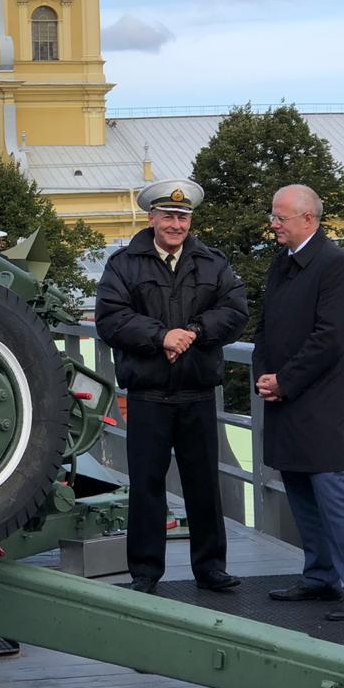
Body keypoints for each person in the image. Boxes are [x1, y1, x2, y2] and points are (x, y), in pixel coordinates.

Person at [95, 179, 248, 594]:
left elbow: (235, 310)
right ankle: (145, 572)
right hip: (148, 394)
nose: (176, 224)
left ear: (190, 221)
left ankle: (211, 568)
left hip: (197, 391)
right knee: (146, 486)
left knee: (204, 485)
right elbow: (110, 318)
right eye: (168, 216)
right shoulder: (123, 264)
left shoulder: (212, 263)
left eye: (182, 217)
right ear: (152, 218)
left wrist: (193, 332)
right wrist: (162, 336)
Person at [253, 184, 344, 621]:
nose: (273, 224)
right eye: (273, 216)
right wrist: (263, 378)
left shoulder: (336, 266)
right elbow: (266, 330)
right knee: (302, 495)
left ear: (308, 219)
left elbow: (329, 340)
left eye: (280, 218)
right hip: (287, 401)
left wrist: (282, 381)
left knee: (335, 499)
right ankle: (320, 576)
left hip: (321, 407)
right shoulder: (282, 264)